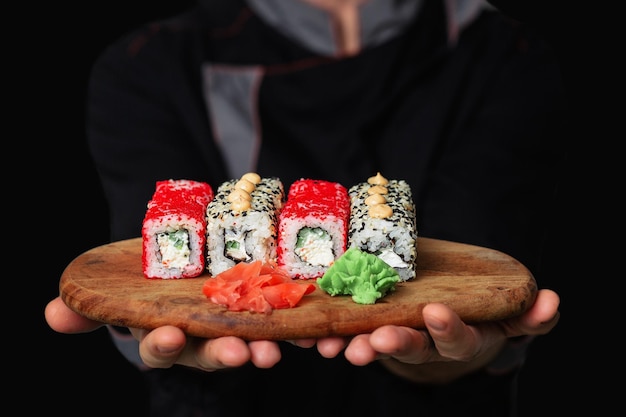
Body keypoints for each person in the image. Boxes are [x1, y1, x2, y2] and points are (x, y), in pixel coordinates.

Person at [45, 0, 565, 416]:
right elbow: (155, 278)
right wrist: (142, 329)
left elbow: (472, 286)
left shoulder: (505, 53)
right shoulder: (151, 64)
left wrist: (451, 353)